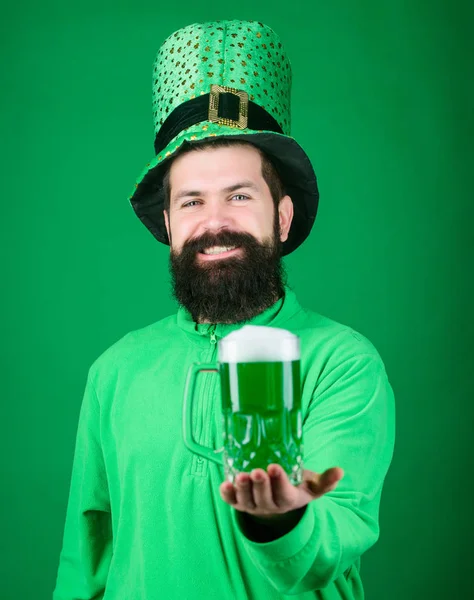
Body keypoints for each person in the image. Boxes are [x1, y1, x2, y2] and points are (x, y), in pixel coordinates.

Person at [53, 19, 395, 600]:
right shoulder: (113, 371)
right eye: (192, 201)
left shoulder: (343, 361)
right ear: (167, 224)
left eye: (239, 196)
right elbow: (84, 560)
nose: (215, 223)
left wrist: (282, 519)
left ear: (281, 217)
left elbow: (336, 535)